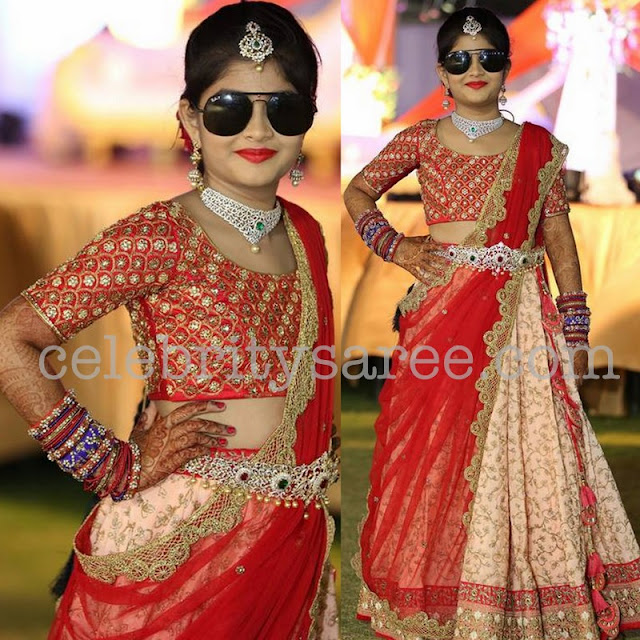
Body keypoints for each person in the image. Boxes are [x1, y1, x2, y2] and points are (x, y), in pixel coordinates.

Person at [0, 2, 338, 638]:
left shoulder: (307, 235)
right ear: (189, 118)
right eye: (230, 108)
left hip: (294, 533)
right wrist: (107, 465)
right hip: (182, 534)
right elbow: (10, 338)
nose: (258, 130)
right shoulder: (160, 235)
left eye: (283, 108)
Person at [343, 7, 640, 640]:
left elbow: (556, 232)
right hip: (442, 317)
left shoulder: (535, 144)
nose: (474, 69)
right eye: (459, 59)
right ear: (441, 72)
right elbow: (357, 191)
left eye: (488, 58)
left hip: (523, 321)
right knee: (435, 454)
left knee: (529, 452)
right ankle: (446, 586)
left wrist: (577, 325)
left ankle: (523, 592)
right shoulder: (422, 139)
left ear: (507, 69)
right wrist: (396, 247)